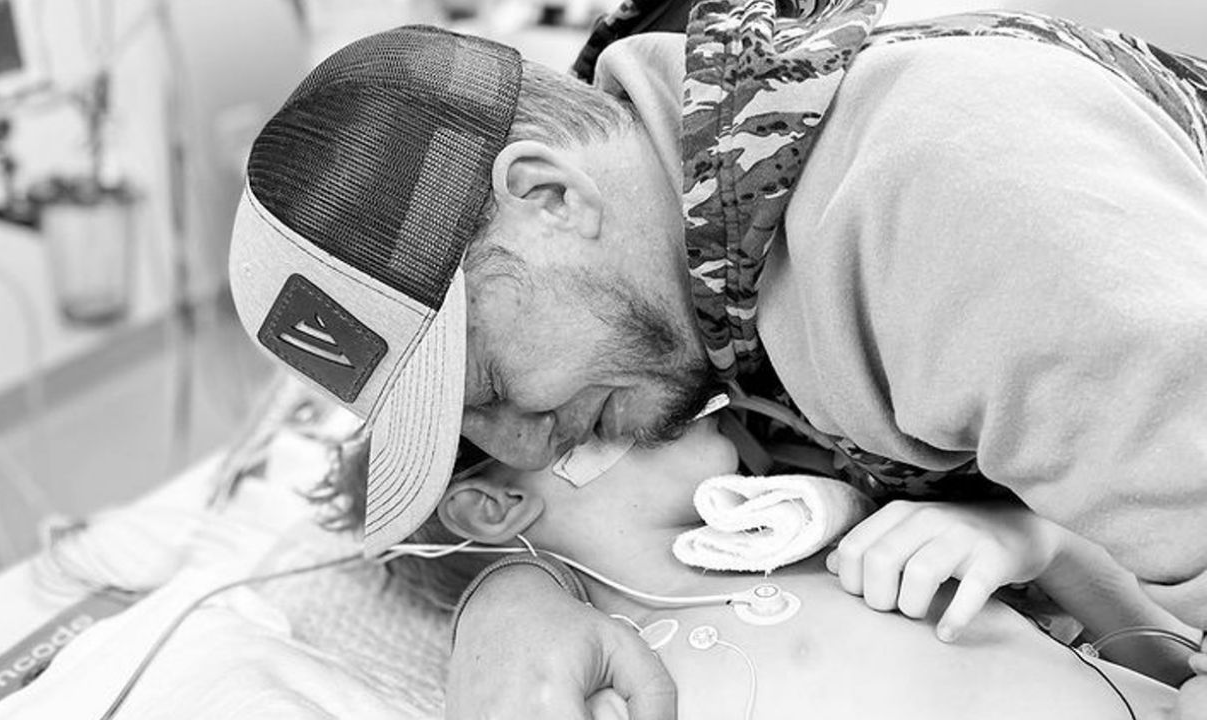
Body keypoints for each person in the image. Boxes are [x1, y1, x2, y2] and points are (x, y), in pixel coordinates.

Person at [226, 2, 1207, 717]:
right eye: (465, 431)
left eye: (485, 387)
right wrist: (508, 596)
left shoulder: (952, 212)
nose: (523, 446)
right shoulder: (682, 252)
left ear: (550, 197)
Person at [382, 411, 1192, 719]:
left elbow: (1169, 659)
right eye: (590, 411)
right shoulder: (604, 692)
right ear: (494, 506)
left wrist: (1043, 544)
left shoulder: (846, 541)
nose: (648, 398)